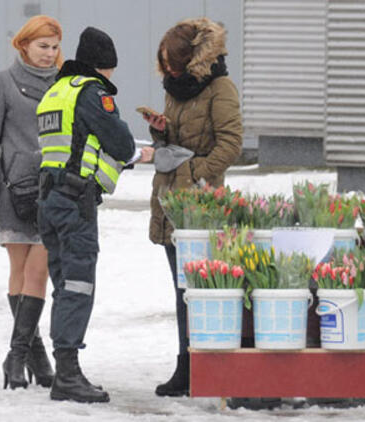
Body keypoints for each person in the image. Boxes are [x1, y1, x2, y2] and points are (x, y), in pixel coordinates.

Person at [36, 26, 152, 404]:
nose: (111, 77)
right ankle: (67, 374)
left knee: (63, 285)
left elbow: (75, 143)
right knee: (78, 284)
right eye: (111, 70)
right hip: (74, 202)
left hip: (49, 201)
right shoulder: (91, 92)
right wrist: (137, 152)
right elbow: (117, 141)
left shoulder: (56, 91)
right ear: (103, 66)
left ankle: (63, 369)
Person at [144, 17, 243, 397]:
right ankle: (186, 369)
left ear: (192, 58)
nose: (167, 69)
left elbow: (230, 144)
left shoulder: (221, 88)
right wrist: (160, 129)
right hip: (171, 199)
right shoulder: (175, 88)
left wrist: (194, 172)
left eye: (173, 61)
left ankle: (205, 369)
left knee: (200, 292)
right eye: (164, 62)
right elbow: (178, 134)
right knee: (180, 290)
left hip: (202, 202)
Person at [0, 15, 64, 390]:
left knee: (39, 270)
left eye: (55, 47)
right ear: (24, 45)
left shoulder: (66, 84)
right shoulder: (1, 82)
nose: (49, 54)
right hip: (15, 189)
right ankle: (36, 354)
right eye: (42, 46)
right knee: (19, 267)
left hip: (54, 189)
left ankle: (18, 356)